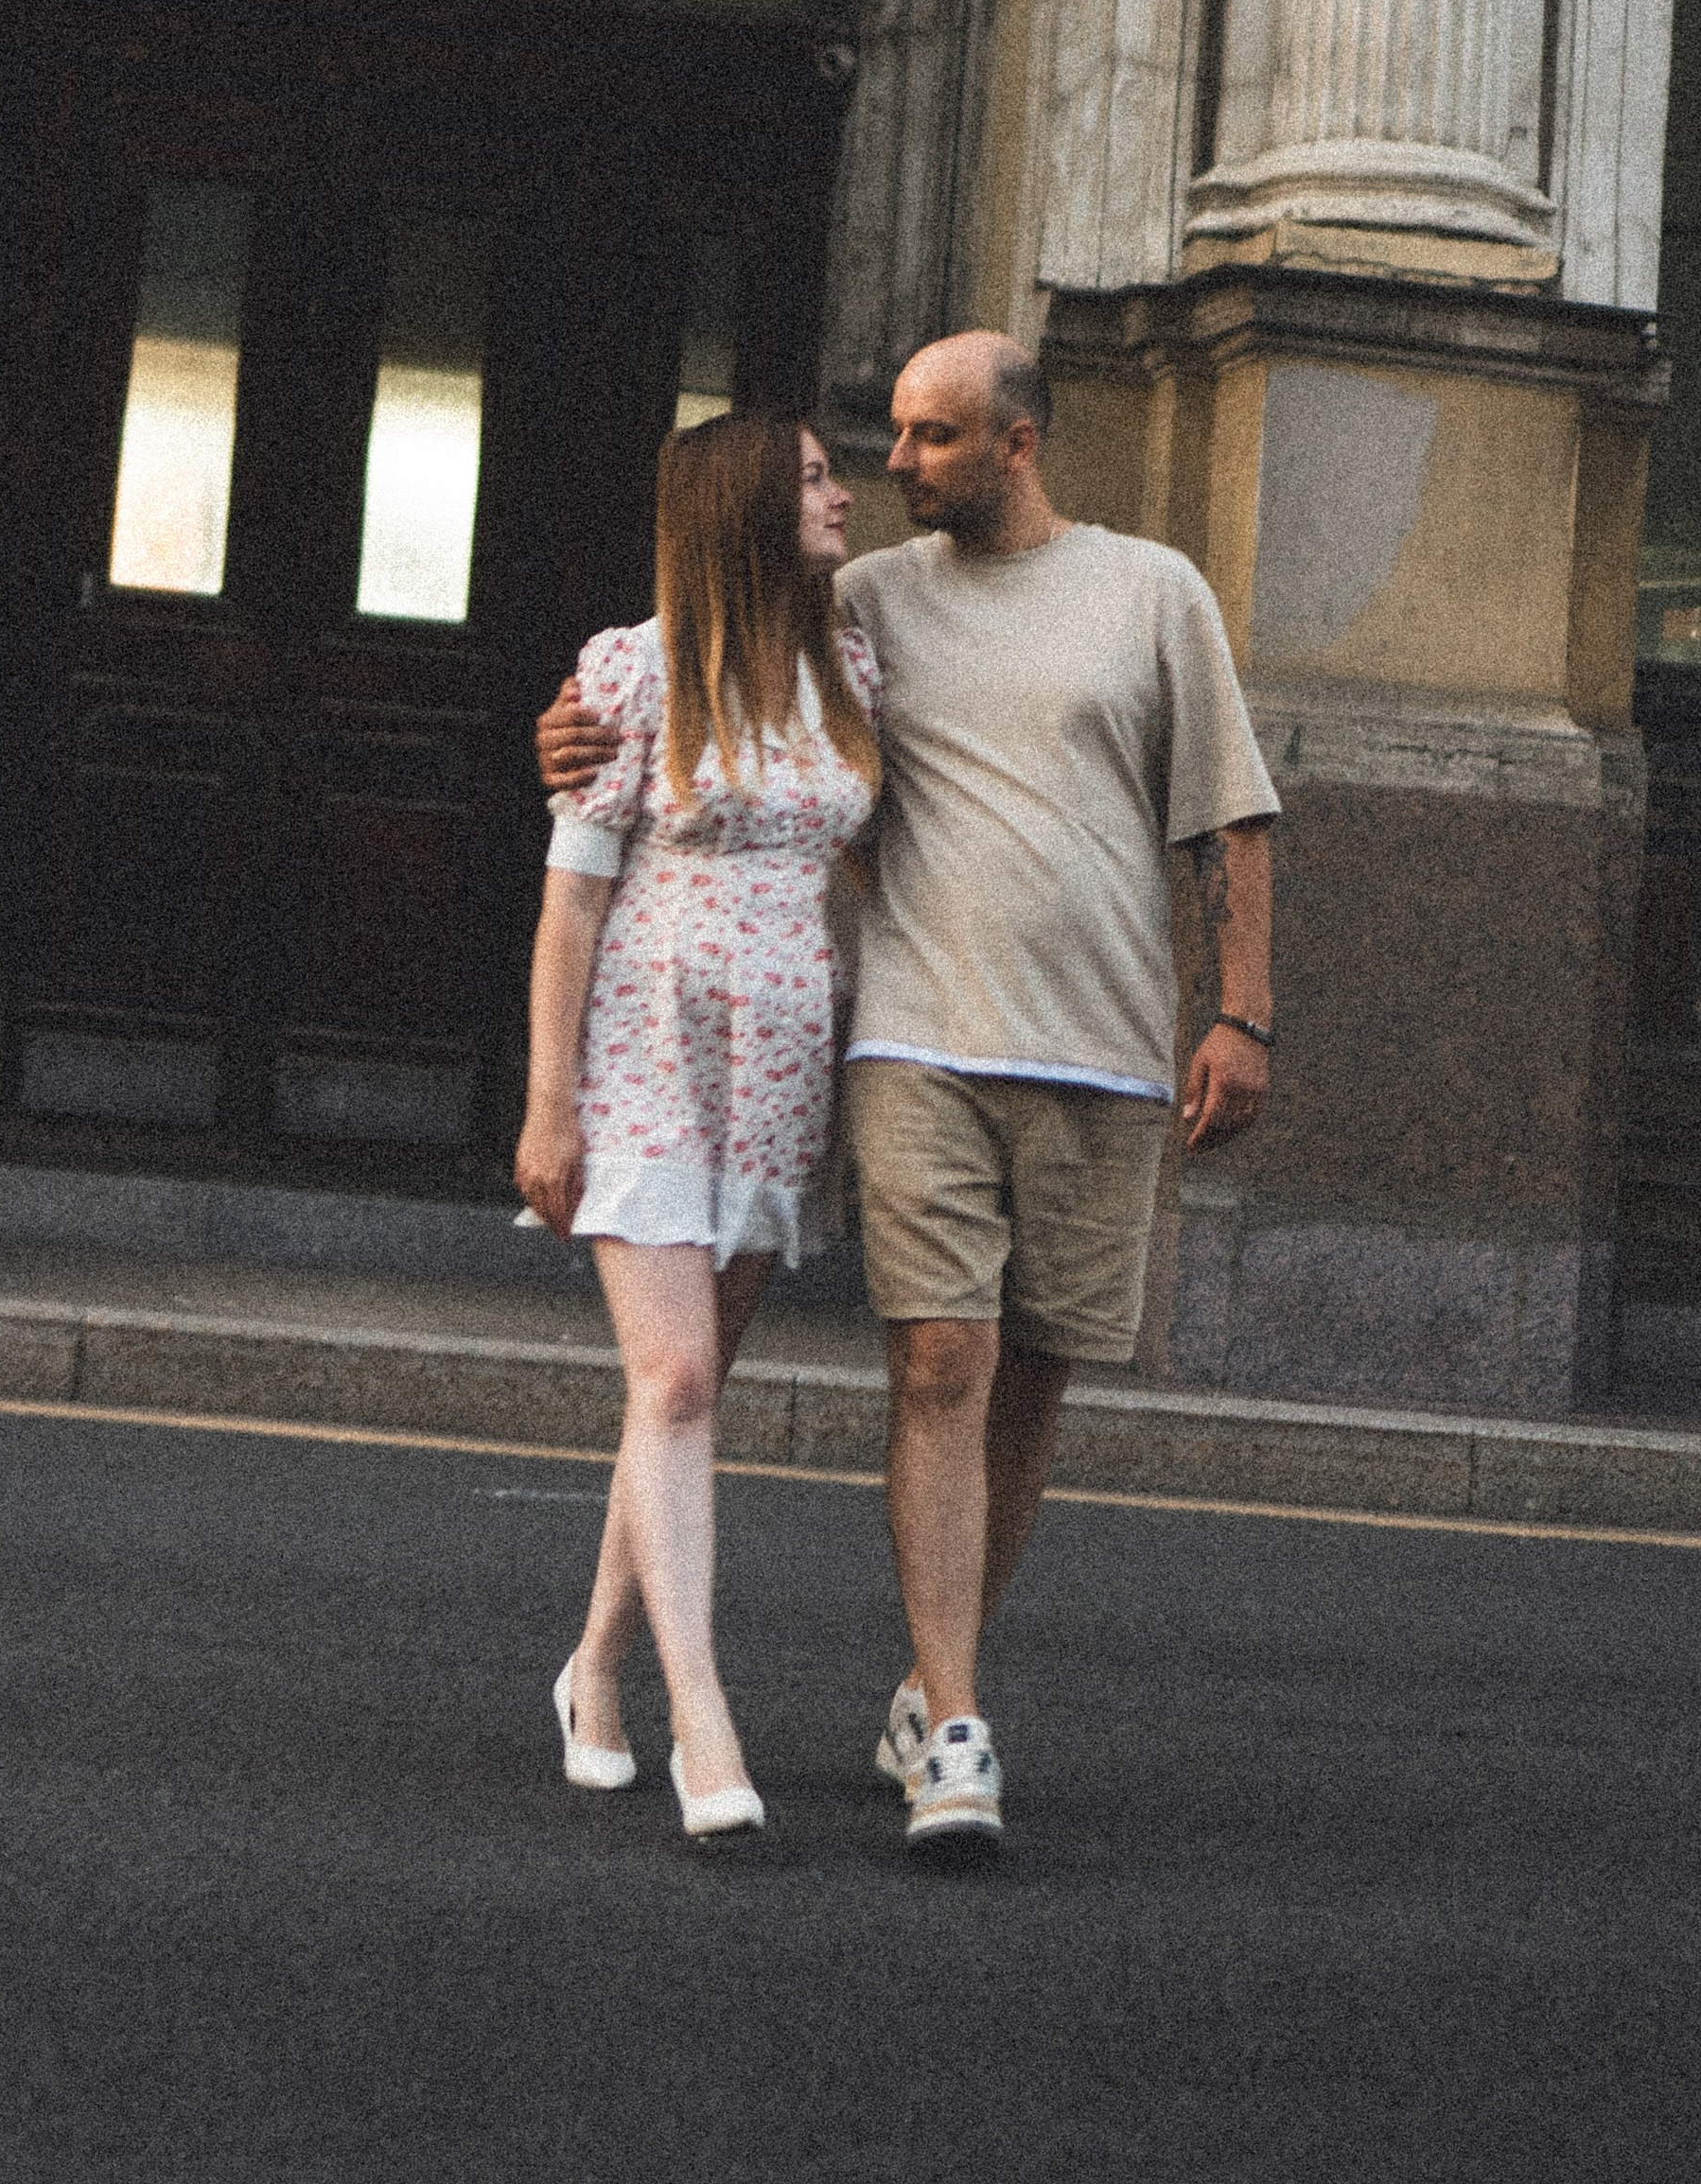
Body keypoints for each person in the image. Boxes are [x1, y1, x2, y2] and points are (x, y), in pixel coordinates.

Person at [536, 331, 1277, 1854]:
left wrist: (1243, 1013)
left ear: (1015, 442)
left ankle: (690, 1670)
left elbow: (1232, 818)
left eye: (930, 439)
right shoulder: (839, 613)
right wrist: (566, 741)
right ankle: (886, 1723)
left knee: (1010, 1383)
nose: (891, 469)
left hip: (1039, 1051)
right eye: (872, 449)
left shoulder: (1130, 594)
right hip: (855, 1042)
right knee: (905, 1362)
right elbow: (638, 767)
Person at [517, 411, 883, 1842]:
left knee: (683, 1393)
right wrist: (550, 1103)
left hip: (784, 1053)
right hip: (648, 1041)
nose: (843, 494)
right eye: (811, 479)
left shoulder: (847, 664)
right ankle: (703, 1717)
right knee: (670, 1378)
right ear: (740, 504)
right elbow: (573, 896)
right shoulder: (633, 666)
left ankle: (593, 1668)